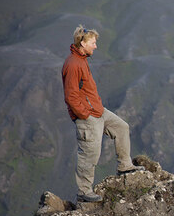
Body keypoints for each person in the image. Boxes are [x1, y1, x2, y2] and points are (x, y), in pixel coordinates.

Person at [62, 24, 144, 202]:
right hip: (88, 117)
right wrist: (85, 115)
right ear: (82, 43)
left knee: (122, 127)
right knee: (90, 154)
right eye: (93, 42)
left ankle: (124, 166)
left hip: (98, 111)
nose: (96, 46)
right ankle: (84, 192)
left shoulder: (81, 59)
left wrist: (94, 109)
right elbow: (71, 96)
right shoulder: (73, 64)